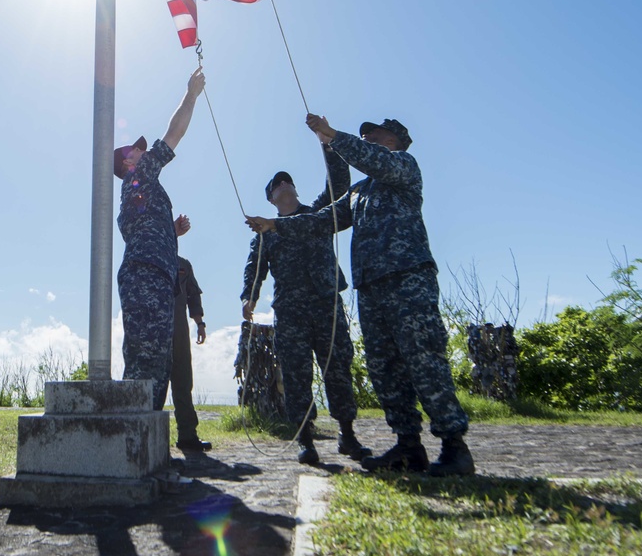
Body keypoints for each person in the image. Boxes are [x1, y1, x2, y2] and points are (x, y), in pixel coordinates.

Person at [247, 116, 474, 476]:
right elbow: (323, 221)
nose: (367, 138)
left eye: (375, 136)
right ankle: (408, 446)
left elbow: (368, 160)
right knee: (386, 370)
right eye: (364, 136)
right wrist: (275, 224)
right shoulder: (358, 193)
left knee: (424, 362)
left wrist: (333, 138)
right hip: (370, 289)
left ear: (396, 140)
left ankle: (454, 447)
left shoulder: (402, 167)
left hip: (407, 280)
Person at [240, 156, 371, 466]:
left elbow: (338, 186)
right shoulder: (266, 233)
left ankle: (348, 435)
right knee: (297, 376)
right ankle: (306, 441)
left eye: (288, 181)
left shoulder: (318, 215)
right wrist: (250, 297)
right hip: (290, 311)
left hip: (327, 303)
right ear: (272, 199)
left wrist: (328, 149)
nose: (284, 185)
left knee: (338, 367)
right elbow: (254, 268)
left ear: (295, 190)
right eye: (277, 185)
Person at [114, 67, 205, 410]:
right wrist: (191, 94)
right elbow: (174, 133)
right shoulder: (140, 175)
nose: (141, 151)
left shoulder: (141, 189)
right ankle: (130, 434)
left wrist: (171, 230)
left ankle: (142, 433)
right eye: (135, 151)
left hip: (155, 275)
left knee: (158, 361)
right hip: (147, 275)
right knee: (147, 359)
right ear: (128, 163)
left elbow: (140, 229)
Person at [170, 215, 211, 455]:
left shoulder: (183, 264)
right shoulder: (152, 257)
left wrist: (200, 323)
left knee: (183, 381)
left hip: (180, 332)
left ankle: (188, 436)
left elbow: (193, 296)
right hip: (154, 331)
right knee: (153, 385)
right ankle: (147, 438)